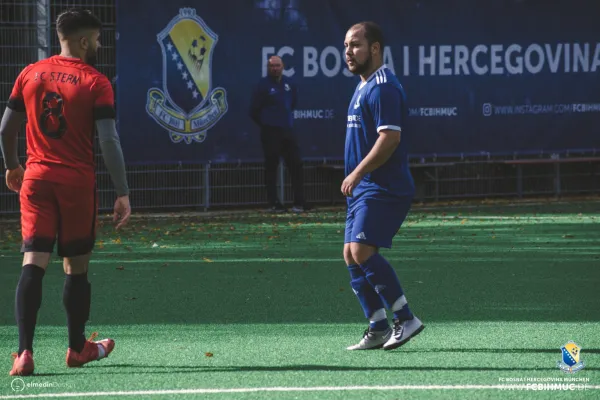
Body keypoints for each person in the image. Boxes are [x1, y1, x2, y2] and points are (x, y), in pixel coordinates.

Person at [0, 8, 131, 376]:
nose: (100, 45)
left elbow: (5, 130)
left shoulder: (29, 73)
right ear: (85, 40)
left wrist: (12, 165)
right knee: (76, 268)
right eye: (98, 39)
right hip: (75, 185)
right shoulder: (96, 81)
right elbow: (108, 140)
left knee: (33, 262)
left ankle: (24, 353)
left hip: (36, 180)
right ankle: (76, 349)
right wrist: (122, 191)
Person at [342, 22, 424, 351]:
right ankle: (377, 325)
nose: (348, 52)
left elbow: (390, 138)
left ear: (375, 48)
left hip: (383, 186)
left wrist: (358, 173)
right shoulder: (364, 85)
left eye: (356, 45)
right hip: (365, 188)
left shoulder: (383, 86)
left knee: (362, 250)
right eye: (346, 46)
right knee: (351, 254)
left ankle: (406, 318)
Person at [249, 55, 309, 213]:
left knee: (295, 164)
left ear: (283, 66)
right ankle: (274, 203)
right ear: (268, 68)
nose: (275, 68)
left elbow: (293, 103)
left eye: (277, 65)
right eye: (272, 66)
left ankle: (299, 202)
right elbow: (253, 111)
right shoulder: (262, 86)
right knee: (271, 167)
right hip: (270, 132)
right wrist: (267, 123)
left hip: (287, 131)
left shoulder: (289, 84)